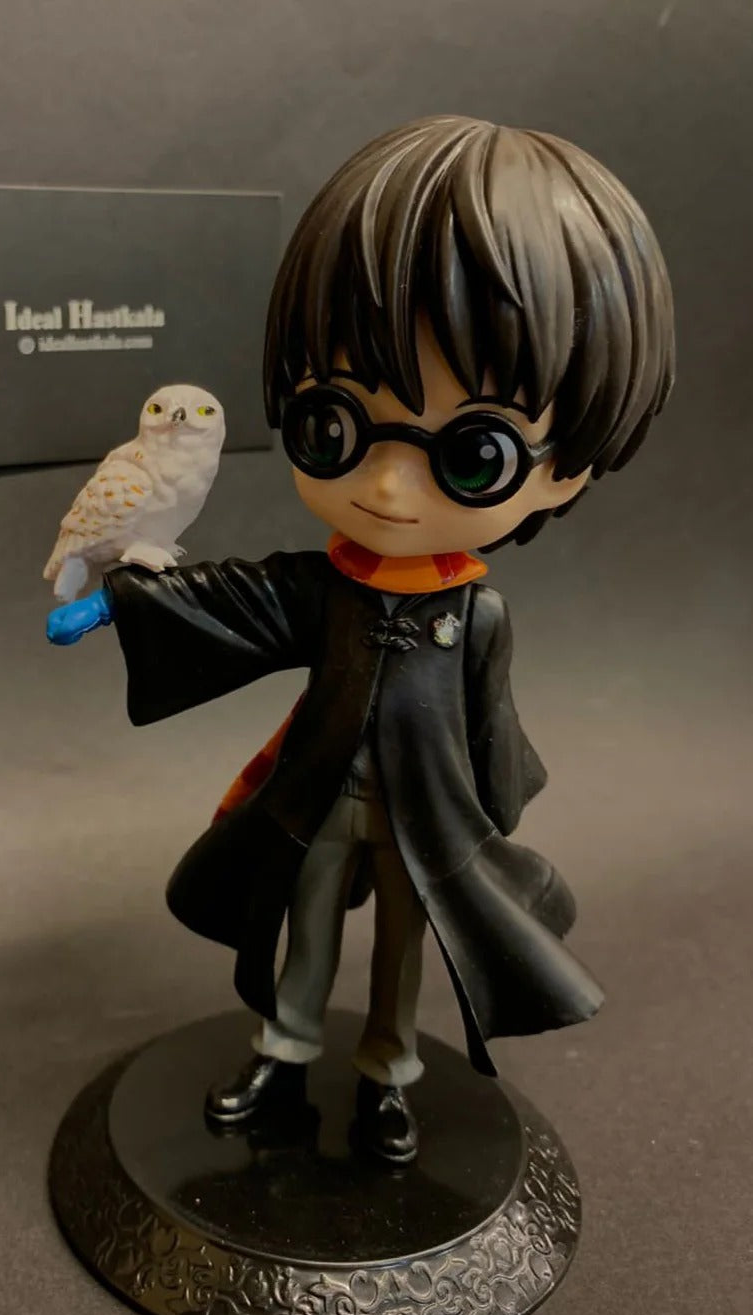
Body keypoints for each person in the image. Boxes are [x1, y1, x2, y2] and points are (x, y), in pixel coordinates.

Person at [47, 116, 675, 1162]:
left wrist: (489, 817)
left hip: (427, 811)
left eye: (470, 453)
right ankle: (286, 1047)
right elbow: (237, 599)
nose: (385, 487)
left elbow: (494, 730)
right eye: (332, 424)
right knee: (305, 920)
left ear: (564, 468)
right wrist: (123, 598)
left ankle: (389, 1071)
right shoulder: (329, 588)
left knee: (403, 948)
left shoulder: (475, 614)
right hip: (320, 788)